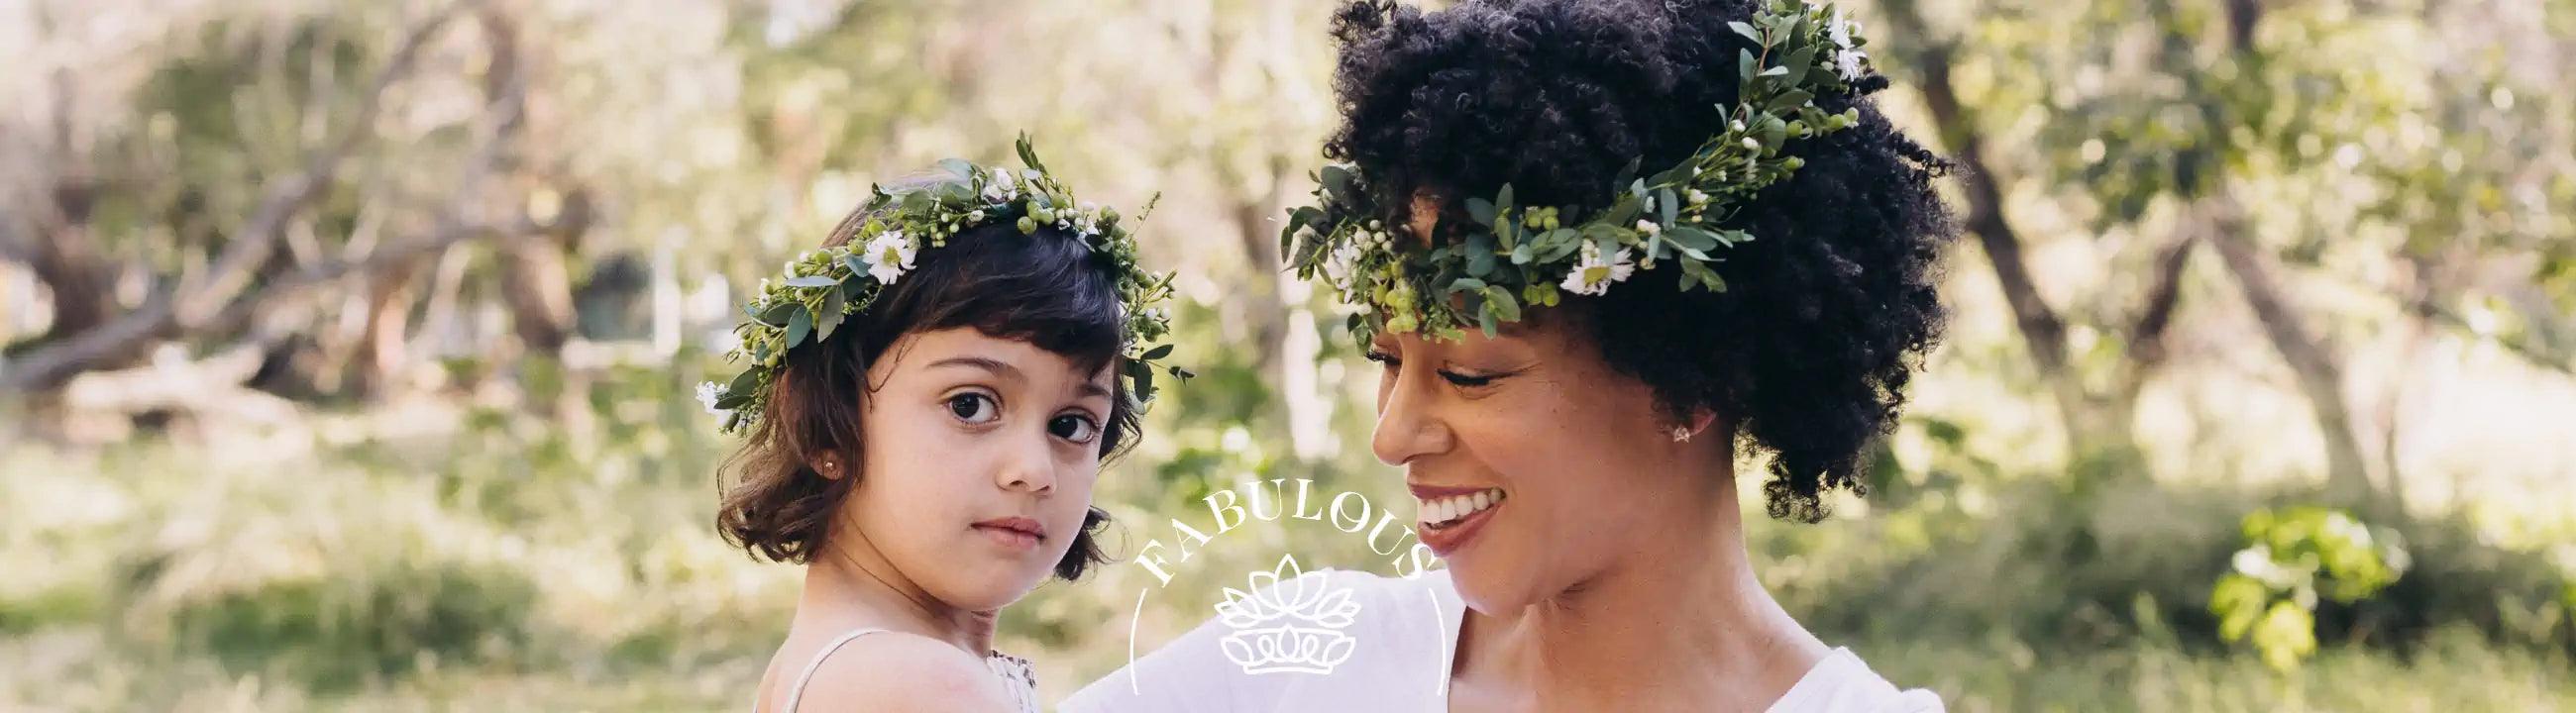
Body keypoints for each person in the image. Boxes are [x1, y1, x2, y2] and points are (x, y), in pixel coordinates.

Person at [1066, 0, 1953, 710]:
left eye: (1469, 373)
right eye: (1387, 359)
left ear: (1694, 384)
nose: (1394, 434)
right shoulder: (1303, 659)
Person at [704, 137, 1185, 712]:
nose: (1034, 471)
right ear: (825, 425)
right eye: (970, 405)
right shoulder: (913, 684)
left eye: (1072, 425)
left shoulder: (834, 665)